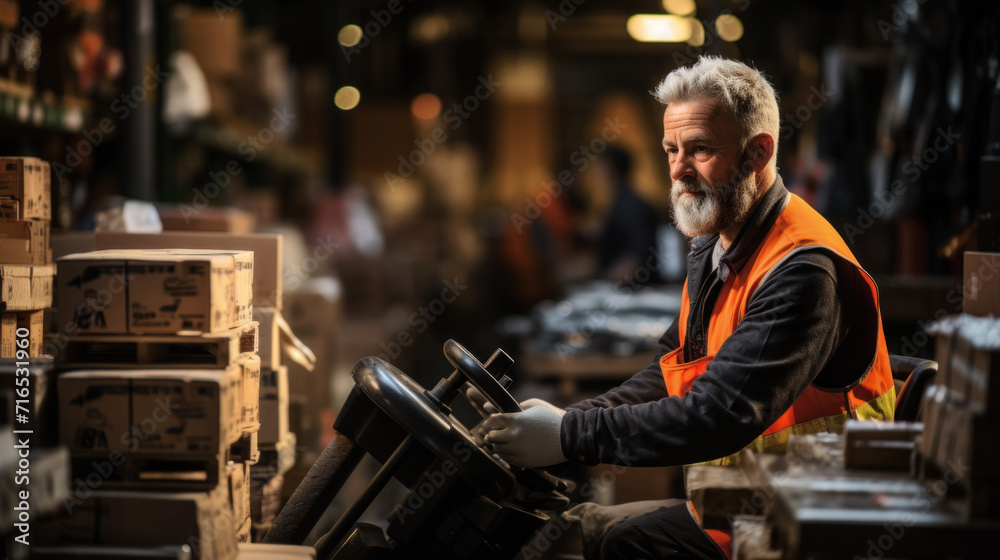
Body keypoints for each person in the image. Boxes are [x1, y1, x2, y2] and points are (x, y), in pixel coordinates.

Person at [475, 56, 896, 560]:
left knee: (616, 543)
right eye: (671, 149)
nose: (678, 169)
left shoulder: (802, 271)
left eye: (699, 149)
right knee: (563, 530)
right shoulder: (716, 247)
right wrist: (571, 416)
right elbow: (672, 371)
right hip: (743, 500)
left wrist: (569, 436)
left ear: (758, 153)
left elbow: (717, 415)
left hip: (816, 520)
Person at [593, 146, 660, 283]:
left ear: (611, 169)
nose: (597, 172)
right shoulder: (619, 201)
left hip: (633, 288)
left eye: (601, 166)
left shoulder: (631, 205)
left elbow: (638, 253)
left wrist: (605, 278)